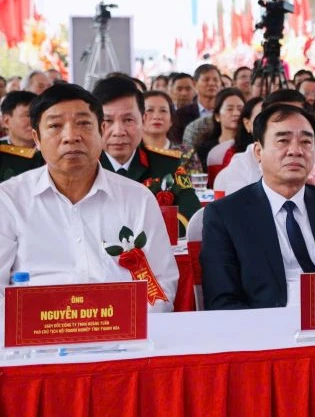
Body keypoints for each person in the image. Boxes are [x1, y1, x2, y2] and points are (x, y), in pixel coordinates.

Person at [0, 83, 179, 310]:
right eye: (55, 126)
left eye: (84, 124)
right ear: (36, 138)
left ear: (101, 131)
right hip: (36, 336)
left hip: (122, 334)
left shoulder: (138, 199)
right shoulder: (9, 200)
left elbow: (161, 284)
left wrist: (127, 326)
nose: (71, 136)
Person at [201, 104, 315, 310]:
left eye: (306, 142)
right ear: (258, 151)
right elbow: (222, 301)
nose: (296, 151)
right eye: (283, 141)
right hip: (265, 326)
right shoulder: (226, 215)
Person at [206, 90, 315, 204]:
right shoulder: (243, 161)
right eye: (282, 118)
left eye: (298, 115)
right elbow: (239, 215)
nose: (294, 151)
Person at [93, 76, 201, 232]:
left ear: (143, 120)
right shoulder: (84, 168)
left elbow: (190, 219)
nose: (118, 132)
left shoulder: (167, 165)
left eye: (128, 120)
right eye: (108, 121)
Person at [140, 91, 202, 174]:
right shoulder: (130, 153)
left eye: (163, 111)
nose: (157, 116)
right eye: (150, 110)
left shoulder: (186, 153)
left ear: (171, 120)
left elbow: (196, 184)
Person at [200, 89, 246, 184]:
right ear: (217, 116)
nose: (236, 113)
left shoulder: (251, 146)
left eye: (240, 109)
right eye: (230, 109)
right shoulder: (205, 148)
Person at [170, 64, 221, 143]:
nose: (211, 83)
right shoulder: (181, 115)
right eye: (206, 80)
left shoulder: (225, 112)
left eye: (215, 80)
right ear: (195, 84)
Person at [0, 92, 43, 181]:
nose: (35, 121)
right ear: (6, 121)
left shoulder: (51, 150)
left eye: (38, 115)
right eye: (28, 115)